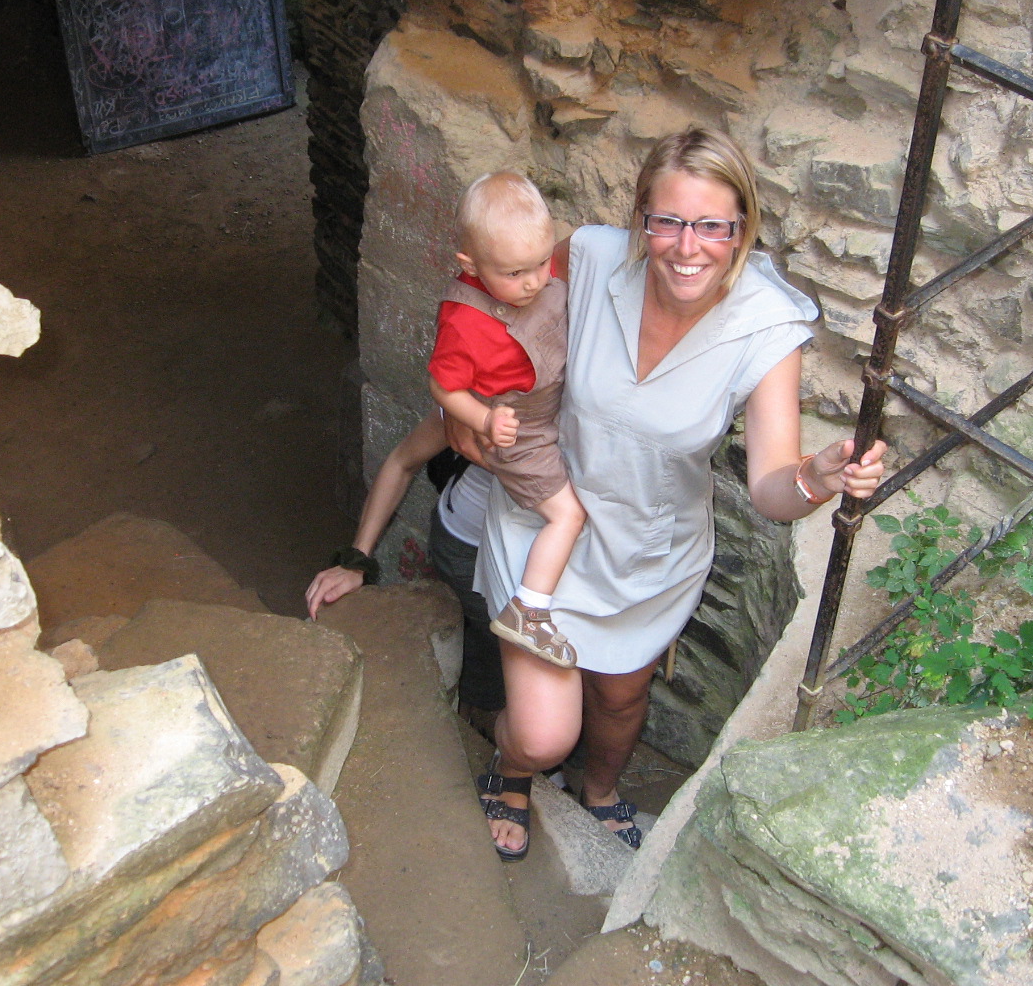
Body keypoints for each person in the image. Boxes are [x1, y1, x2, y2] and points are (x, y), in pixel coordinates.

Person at [455, 128, 887, 862]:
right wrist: (457, 410)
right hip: (548, 525)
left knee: (622, 696)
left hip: (649, 553)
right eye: (669, 221)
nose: (689, 247)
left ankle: (599, 793)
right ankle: (515, 766)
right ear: (641, 220)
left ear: (742, 228)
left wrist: (815, 479)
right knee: (542, 732)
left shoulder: (767, 327)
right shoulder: (591, 257)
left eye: (713, 225)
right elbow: (485, 295)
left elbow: (771, 489)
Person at [429, 172, 586, 669]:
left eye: (541, 263)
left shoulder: (540, 276)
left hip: (552, 409)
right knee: (568, 515)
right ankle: (529, 608)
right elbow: (443, 386)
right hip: (519, 432)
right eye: (515, 273)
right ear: (470, 265)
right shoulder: (464, 321)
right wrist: (484, 418)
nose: (534, 281)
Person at [305, 412, 505, 718]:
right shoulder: (485, 398)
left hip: (529, 564)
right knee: (496, 655)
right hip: (469, 549)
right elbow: (402, 461)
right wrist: (356, 560)